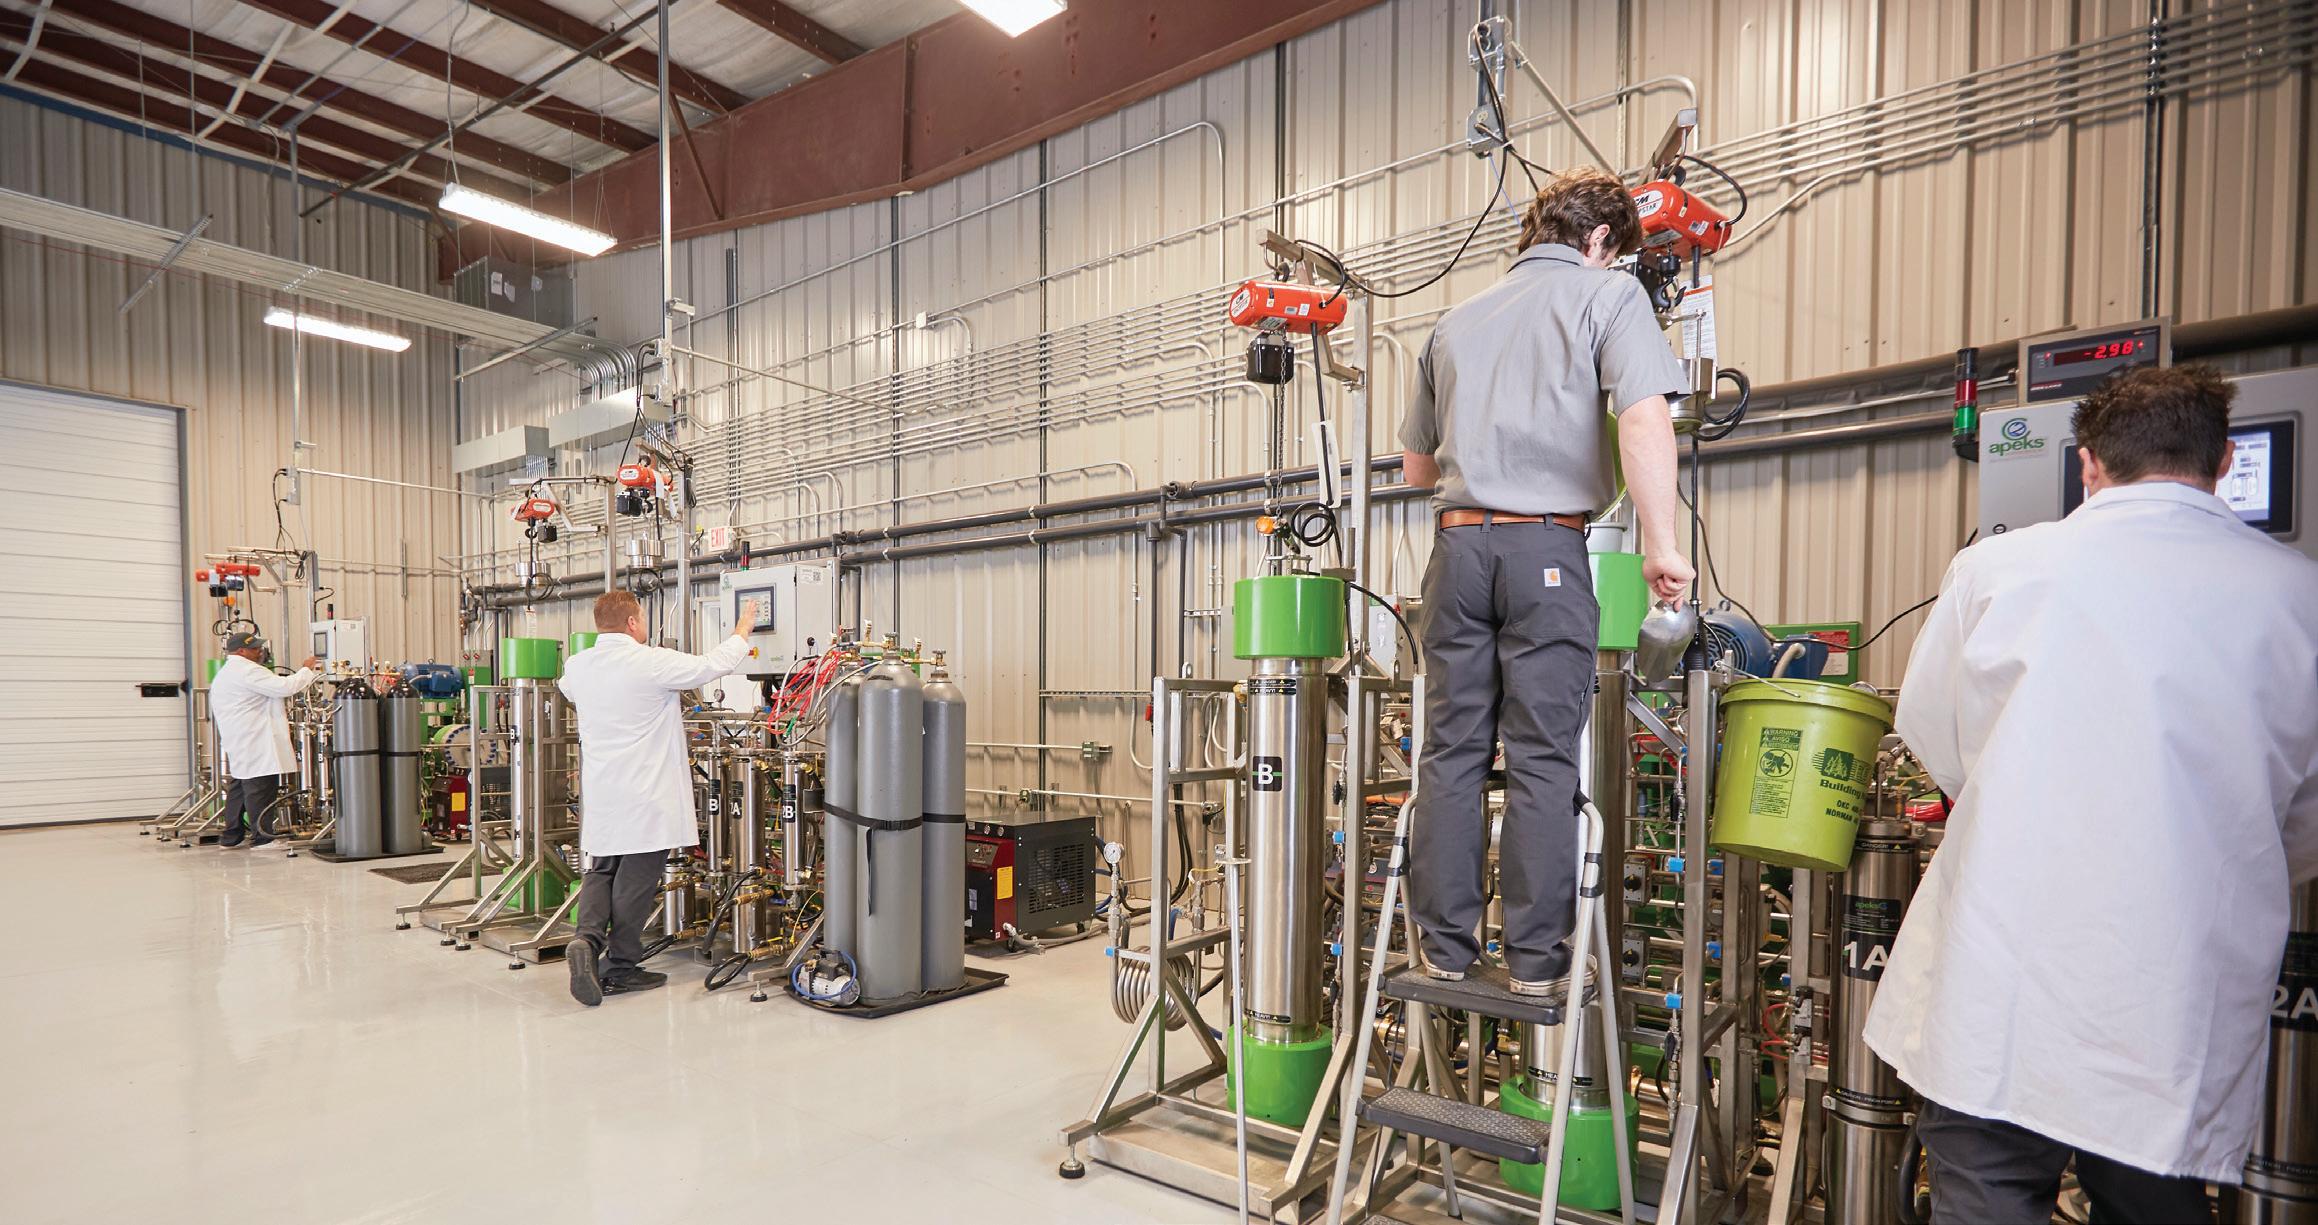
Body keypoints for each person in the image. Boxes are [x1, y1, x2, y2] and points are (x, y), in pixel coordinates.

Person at [1870, 364, 2318, 1224]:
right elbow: (2300, 823)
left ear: (2087, 464)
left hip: (1997, 986)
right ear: (2225, 460)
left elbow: (1934, 735)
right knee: (2152, 1204)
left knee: (1985, 1200)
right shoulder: (2297, 597)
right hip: (2170, 1008)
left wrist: (2016, 807)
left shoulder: (1997, 570)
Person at [1399, 168, 1695, 995]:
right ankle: (1534, 963)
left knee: (1451, 753)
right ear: (1599, 240)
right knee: (1540, 757)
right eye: (1614, 252)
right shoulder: (1609, 296)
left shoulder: (1453, 320)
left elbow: (1417, 467)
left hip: (1455, 553)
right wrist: (1661, 546)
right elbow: (1644, 416)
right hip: (1548, 552)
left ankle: (1444, 949)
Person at [556, 590, 757, 1005]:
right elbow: (712, 665)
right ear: (632, 623)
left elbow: (569, 691)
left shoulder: (577, 666)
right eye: (643, 618)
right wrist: (743, 630)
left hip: (604, 793)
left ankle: (586, 941)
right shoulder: (650, 662)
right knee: (635, 882)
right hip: (646, 795)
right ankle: (620, 967)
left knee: (601, 871)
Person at [206, 630, 322, 849]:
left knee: (239, 789)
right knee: (259, 789)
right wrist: (306, 669)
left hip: (241, 739)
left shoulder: (227, 672)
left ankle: (231, 837)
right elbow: (285, 688)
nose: (260, 651)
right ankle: (262, 839)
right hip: (256, 741)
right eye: (255, 648)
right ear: (241, 651)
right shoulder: (247, 671)